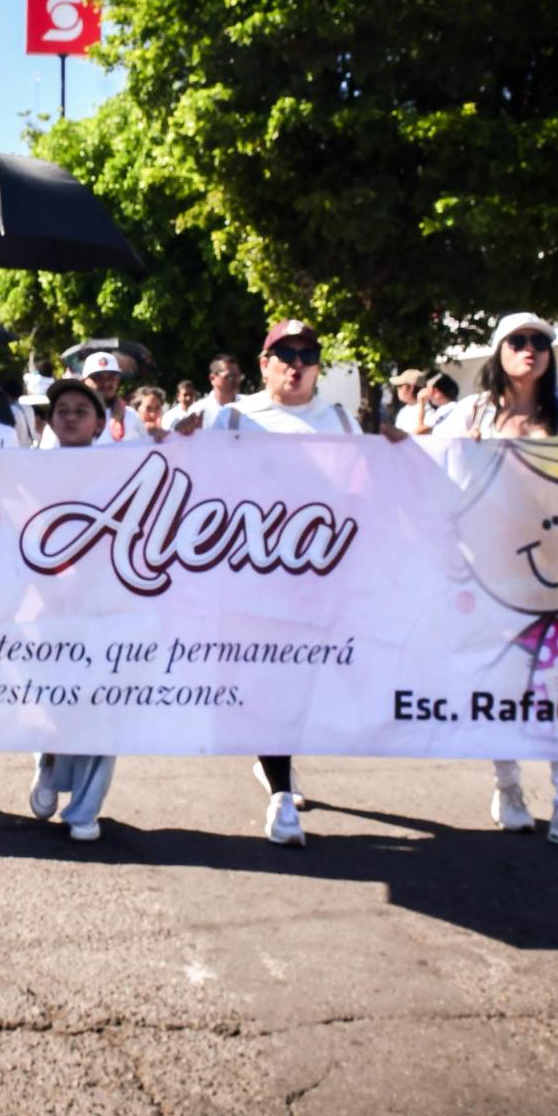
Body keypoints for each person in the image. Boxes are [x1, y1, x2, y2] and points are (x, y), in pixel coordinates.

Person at [210, 319, 404, 845]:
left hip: (316, 581)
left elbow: (363, 491)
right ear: (264, 363)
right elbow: (197, 488)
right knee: (271, 685)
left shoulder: (338, 419)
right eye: (285, 354)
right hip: (253, 581)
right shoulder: (232, 418)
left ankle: (274, 761)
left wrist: (402, 451)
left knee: (302, 686)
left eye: (308, 355)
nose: (297, 364)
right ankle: (279, 794)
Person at [430, 312, 558, 853]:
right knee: (500, 686)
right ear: (498, 351)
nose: (531, 350)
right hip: (490, 574)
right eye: (519, 341)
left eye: (541, 342)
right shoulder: (469, 414)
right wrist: (466, 451)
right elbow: (432, 477)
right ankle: (508, 789)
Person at [24, 378, 120, 841]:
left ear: (100, 422)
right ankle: (48, 760)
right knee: (54, 701)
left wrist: (173, 441)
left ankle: (84, 810)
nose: (71, 415)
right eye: (62, 408)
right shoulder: (29, 469)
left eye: (83, 409)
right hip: (48, 608)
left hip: (106, 608)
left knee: (101, 705)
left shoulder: (124, 468)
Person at [176, 353, 244, 435]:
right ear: (212, 378)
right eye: (229, 377)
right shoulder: (198, 411)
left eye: (238, 376)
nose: (235, 381)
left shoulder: (249, 405)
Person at [389, 368, 429, 433]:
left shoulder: (428, 409)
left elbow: (422, 431)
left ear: (411, 388)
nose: (397, 389)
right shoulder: (403, 411)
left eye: (400, 386)